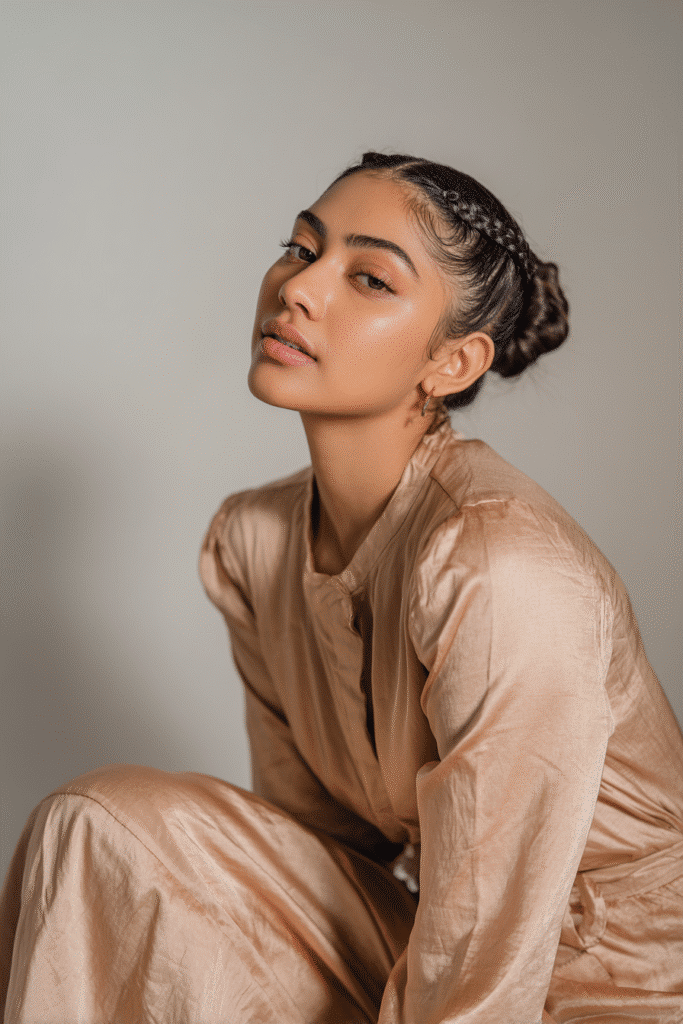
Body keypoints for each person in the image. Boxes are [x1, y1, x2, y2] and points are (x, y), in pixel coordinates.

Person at [2, 151, 682, 1024]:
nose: (298, 287)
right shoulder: (255, 542)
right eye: (298, 248)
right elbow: (317, 858)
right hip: (428, 950)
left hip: (622, 990)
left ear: (453, 363)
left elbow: (491, 954)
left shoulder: (503, 568)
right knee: (98, 827)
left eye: (367, 278)